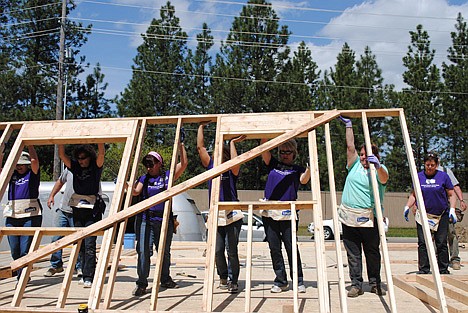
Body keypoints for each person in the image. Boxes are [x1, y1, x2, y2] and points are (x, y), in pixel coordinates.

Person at [338, 116, 389, 298]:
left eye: (367, 155)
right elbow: (350, 147)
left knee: (372, 253)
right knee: (353, 254)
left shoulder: (378, 170)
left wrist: (378, 165)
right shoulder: (353, 166)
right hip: (349, 217)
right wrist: (349, 126)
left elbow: (384, 178)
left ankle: (375, 283)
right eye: (362, 155)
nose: (363, 158)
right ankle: (356, 284)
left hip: (369, 218)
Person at [132, 143, 187, 297]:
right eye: (146, 164)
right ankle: (142, 283)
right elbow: (136, 192)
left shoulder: (167, 177)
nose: (148, 167)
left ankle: (165, 279)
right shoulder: (144, 178)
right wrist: (126, 184)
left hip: (164, 220)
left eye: (151, 164)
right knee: (143, 251)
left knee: (164, 252)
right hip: (146, 219)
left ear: (159, 163)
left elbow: (183, 164)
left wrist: (181, 145)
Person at [197, 123, 245, 293]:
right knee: (217, 250)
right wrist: (201, 126)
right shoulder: (211, 167)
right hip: (215, 213)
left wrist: (232, 143)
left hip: (232, 213)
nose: (214, 155)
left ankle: (233, 280)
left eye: (218, 153)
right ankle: (223, 277)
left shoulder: (231, 169)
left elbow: (236, 161)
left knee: (232, 250)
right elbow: (200, 147)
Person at [260, 138, 310, 293]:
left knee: (290, 247)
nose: (285, 155)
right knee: (274, 248)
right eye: (282, 152)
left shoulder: (297, 169)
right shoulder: (273, 164)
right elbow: (264, 150)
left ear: (294, 153)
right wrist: (268, 133)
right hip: (270, 212)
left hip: (288, 213)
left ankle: (298, 280)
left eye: (288, 152)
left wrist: (310, 167)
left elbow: (303, 180)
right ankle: (281, 280)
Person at [58, 144, 105, 288]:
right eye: (78, 158)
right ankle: (83, 271)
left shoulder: (95, 167)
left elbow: (102, 154)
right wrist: (62, 140)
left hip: (92, 210)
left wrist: (99, 141)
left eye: (83, 158)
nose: (81, 161)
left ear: (89, 157)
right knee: (80, 244)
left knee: (90, 244)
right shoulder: (75, 167)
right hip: (77, 209)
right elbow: (62, 155)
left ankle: (88, 276)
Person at [403, 152, 457, 275]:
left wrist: (452, 210)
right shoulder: (419, 177)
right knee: (423, 242)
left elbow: (451, 194)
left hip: (441, 214)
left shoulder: (443, 177)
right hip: (423, 215)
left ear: (436, 165)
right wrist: (407, 206)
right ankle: (424, 269)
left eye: (432, 165)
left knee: (441, 242)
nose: (430, 167)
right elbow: (414, 195)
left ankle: (443, 269)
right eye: (427, 165)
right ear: (424, 164)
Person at [3, 146, 42, 279]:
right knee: (14, 249)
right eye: (17, 164)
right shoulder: (11, 175)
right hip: (13, 215)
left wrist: (30, 145)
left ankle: (22, 277)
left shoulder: (32, 174)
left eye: (22, 164)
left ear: (27, 165)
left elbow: (35, 161)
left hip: (29, 216)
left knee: (25, 249)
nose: (19, 167)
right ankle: (22, 273)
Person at [44, 168, 82, 277]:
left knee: (77, 239)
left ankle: (78, 266)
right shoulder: (69, 169)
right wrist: (52, 195)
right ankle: (56, 265)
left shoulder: (89, 169)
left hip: (78, 211)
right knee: (56, 238)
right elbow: (60, 181)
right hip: (63, 209)